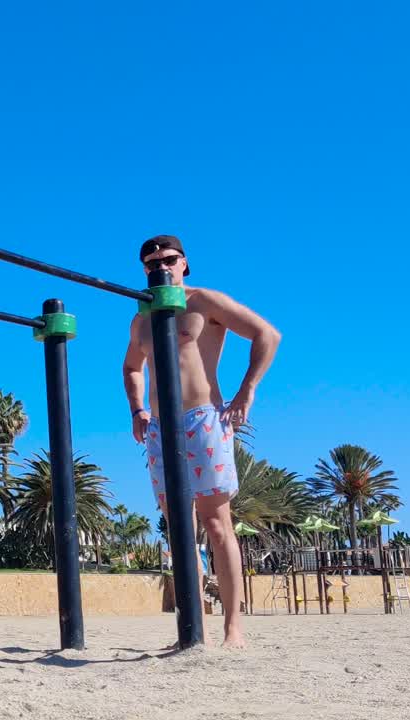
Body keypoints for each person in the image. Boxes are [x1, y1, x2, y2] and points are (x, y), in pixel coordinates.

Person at [122, 235, 280, 649]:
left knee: (215, 523)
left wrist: (248, 390)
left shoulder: (203, 302)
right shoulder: (142, 318)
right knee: (178, 528)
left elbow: (267, 335)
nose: (162, 266)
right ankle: (195, 629)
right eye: (152, 262)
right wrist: (137, 409)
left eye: (170, 259)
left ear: (184, 263)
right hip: (159, 426)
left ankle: (233, 628)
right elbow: (132, 367)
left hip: (203, 419)